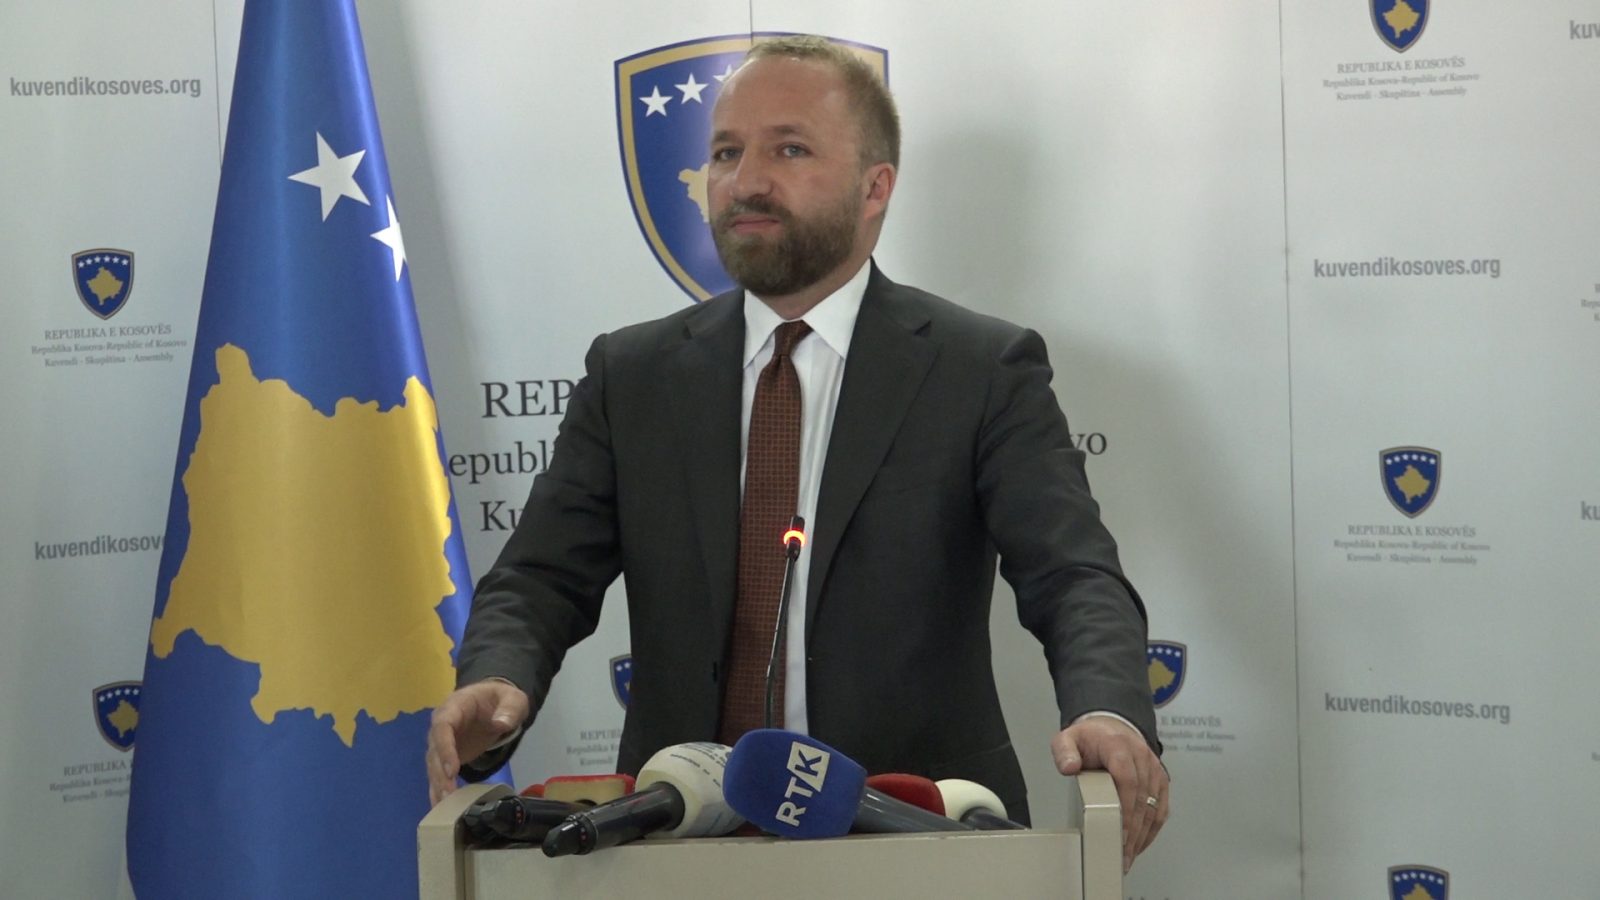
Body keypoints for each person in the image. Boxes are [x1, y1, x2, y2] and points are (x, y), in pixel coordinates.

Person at [426, 35, 1168, 872]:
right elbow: (540, 576)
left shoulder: (979, 369)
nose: (745, 181)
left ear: (875, 187)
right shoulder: (631, 374)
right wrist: (499, 678)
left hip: (919, 832)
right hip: (679, 843)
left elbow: (1073, 575)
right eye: (725, 152)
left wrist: (1109, 709)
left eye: (788, 149)